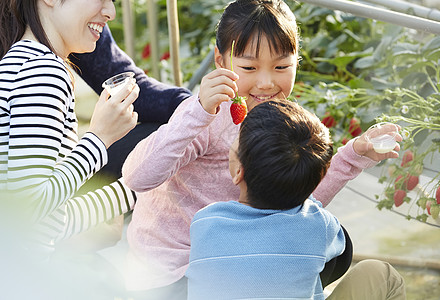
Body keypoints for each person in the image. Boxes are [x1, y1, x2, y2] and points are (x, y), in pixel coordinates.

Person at [121, 0, 402, 297]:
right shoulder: (207, 115)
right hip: (174, 276)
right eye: (249, 67)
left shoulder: (284, 119)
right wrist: (199, 111)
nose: (266, 83)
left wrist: (352, 155)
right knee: (329, 248)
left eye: (281, 66)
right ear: (220, 60)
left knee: (335, 252)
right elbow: (137, 177)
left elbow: (290, 196)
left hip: (242, 254)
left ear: (297, 61)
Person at [0, 0, 138, 255]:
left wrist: (137, 190)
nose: (111, 12)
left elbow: (45, 224)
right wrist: (98, 138)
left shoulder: (22, 61)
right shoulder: (42, 71)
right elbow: (26, 208)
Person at [186, 99, 345, 299]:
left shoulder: (204, 221)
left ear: (238, 172)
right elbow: (340, 247)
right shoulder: (320, 225)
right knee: (380, 274)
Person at [71, 25, 192, 194]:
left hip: (70, 175)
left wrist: (195, 108)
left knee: (173, 134)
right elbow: (37, 198)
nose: (111, 13)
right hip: (53, 192)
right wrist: (98, 138)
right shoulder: (38, 70)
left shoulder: (79, 23)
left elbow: (126, 82)